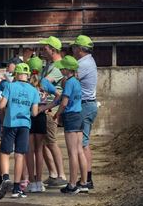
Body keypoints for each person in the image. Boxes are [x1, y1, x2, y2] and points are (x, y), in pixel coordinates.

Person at [0, 63, 39, 199]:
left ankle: (6, 177)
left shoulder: (10, 86)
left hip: (10, 123)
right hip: (24, 125)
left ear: (16, 74)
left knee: (4, 152)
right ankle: (16, 188)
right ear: (28, 75)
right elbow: (35, 112)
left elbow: (2, 105)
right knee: (20, 155)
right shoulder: (33, 90)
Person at [53, 56, 89, 194]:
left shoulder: (69, 82)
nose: (60, 69)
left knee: (72, 152)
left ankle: (72, 184)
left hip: (71, 117)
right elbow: (61, 100)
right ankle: (84, 183)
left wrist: (58, 115)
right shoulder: (76, 81)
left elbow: (64, 103)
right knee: (79, 150)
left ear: (67, 69)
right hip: (79, 116)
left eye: (62, 67)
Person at [26, 57, 60, 193]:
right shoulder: (44, 82)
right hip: (40, 116)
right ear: (41, 68)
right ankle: (39, 182)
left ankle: (31, 181)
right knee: (39, 151)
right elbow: (58, 96)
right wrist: (46, 107)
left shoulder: (26, 84)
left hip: (28, 117)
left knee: (29, 151)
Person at [39, 36, 68, 187]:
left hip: (51, 109)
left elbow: (44, 83)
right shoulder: (47, 66)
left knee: (51, 142)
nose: (42, 51)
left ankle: (61, 175)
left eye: (45, 48)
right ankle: (53, 174)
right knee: (44, 143)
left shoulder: (57, 67)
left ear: (53, 50)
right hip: (45, 108)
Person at [71, 35, 98, 189]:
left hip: (85, 105)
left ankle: (86, 179)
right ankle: (86, 177)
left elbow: (69, 80)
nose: (73, 49)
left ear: (80, 49)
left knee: (83, 144)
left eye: (75, 47)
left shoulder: (83, 64)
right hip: (88, 104)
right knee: (83, 143)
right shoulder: (88, 61)